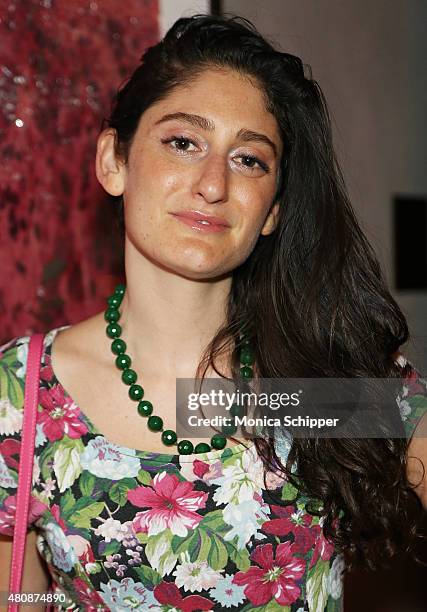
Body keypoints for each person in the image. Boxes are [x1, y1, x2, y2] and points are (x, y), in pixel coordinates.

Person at [0, 13, 426, 612]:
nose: (212, 183)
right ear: (113, 163)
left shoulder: (320, 379)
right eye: (182, 143)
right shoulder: (21, 393)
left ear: (273, 210)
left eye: (249, 159)